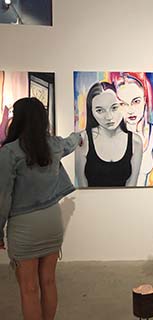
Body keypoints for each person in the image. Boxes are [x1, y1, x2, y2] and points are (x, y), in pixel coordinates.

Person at [0, 97, 82, 320]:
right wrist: (80, 136)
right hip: (52, 221)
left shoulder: (9, 152)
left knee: (29, 289)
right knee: (49, 281)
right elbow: (70, 142)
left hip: (24, 226)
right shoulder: (53, 145)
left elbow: (3, 197)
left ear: (18, 120)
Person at [75, 81, 142, 187]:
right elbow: (82, 185)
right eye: (100, 110)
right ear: (91, 111)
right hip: (91, 202)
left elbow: (132, 185)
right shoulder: (83, 139)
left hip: (124, 202)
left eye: (114, 108)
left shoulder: (135, 141)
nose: (109, 117)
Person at [113, 72, 153, 186]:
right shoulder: (114, 136)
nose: (130, 110)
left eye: (136, 101)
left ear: (145, 100)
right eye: (123, 104)